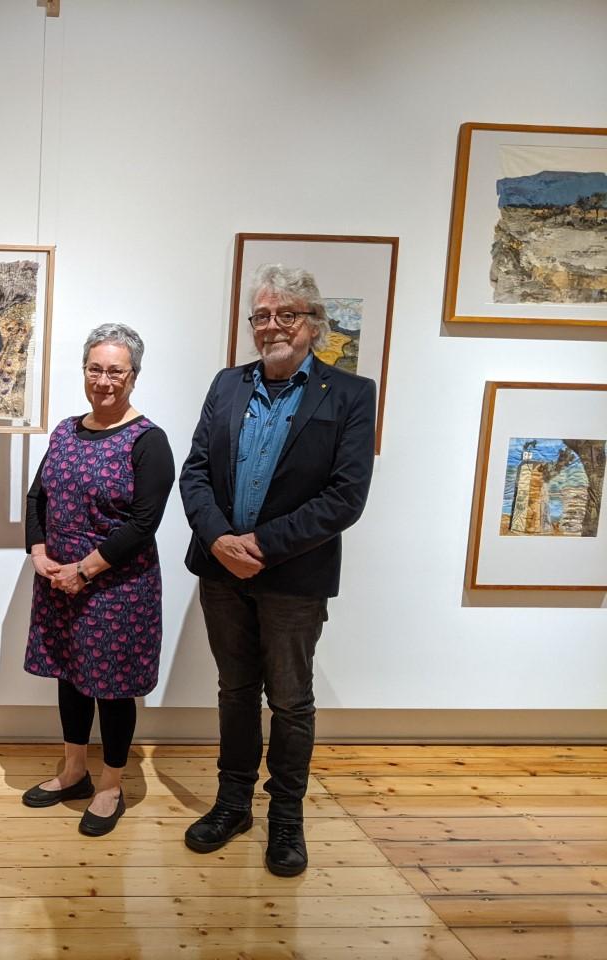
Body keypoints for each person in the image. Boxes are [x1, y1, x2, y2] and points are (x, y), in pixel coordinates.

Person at [178, 263, 376, 877]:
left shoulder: (350, 394)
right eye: (261, 315)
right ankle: (233, 802)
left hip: (292, 577)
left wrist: (259, 545)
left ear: (313, 324)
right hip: (220, 574)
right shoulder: (227, 384)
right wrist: (217, 540)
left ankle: (285, 816)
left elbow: (346, 497)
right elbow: (195, 472)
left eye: (285, 314)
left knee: (290, 701)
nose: (271, 326)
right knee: (235, 690)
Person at [22, 323, 175, 837]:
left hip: (117, 588)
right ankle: (74, 771)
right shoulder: (65, 430)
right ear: (84, 371)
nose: (104, 381)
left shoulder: (149, 441)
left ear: (133, 376)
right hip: (60, 581)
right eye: (95, 369)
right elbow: (37, 497)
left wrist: (84, 570)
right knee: (70, 675)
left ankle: (111, 784)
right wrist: (40, 553)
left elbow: (143, 523)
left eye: (115, 371)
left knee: (111, 688)